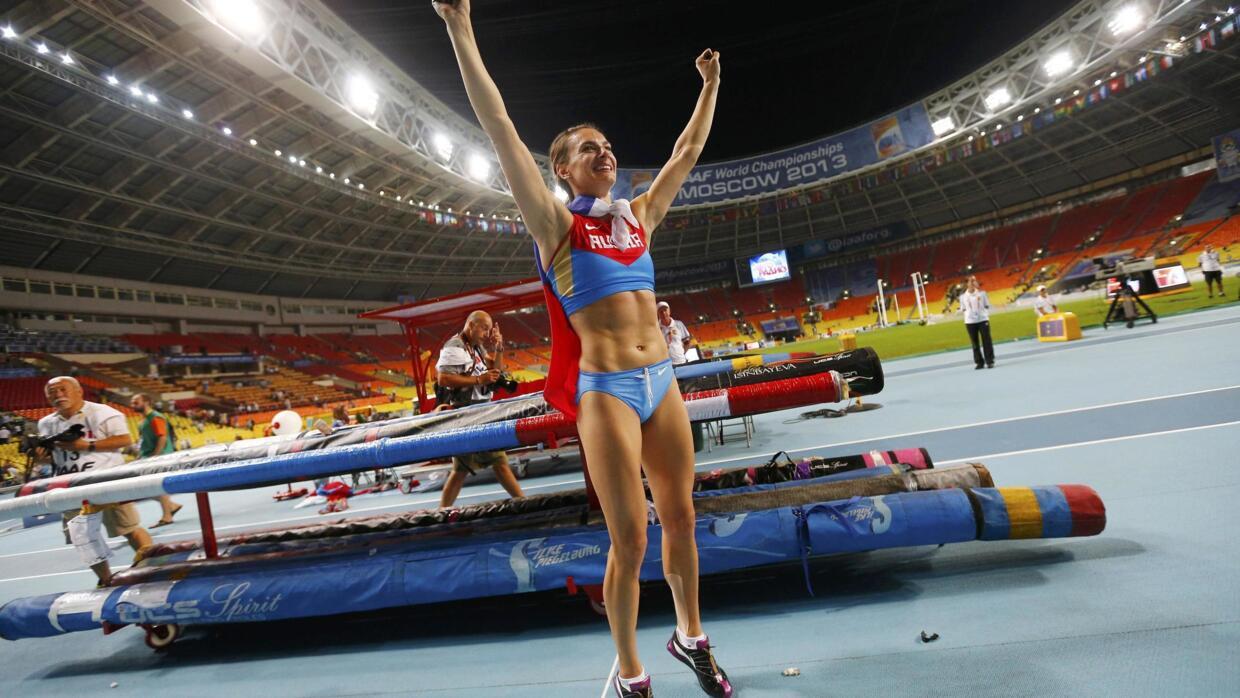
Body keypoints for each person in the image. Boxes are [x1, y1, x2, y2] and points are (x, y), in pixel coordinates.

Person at [435, 2, 728, 695]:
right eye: (587, 148)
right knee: (629, 540)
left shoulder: (639, 217)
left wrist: (710, 87)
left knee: (682, 516)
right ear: (563, 171)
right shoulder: (554, 225)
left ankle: (691, 637)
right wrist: (459, 27)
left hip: (662, 380)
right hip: (608, 392)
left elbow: (686, 151)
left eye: (607, 145)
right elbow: (499, 123)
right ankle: (630, 674)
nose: (605, 153)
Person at [36, 377, 151, 586]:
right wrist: (41, 455)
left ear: (79, 391)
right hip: (69, 487)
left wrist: (86, 446)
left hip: (107, 481)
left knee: (129, 528)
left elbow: (125, 440)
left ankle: (152, 569)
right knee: (82, 537)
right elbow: (52, 457)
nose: (58, 394)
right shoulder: (45, 423)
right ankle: (106, 580)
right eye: (52, 391)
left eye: (63, 389)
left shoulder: (104, 413)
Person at [434, 310, 525, 509]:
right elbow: (443, 378)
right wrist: (478, 380)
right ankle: (523, 503)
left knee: (479, 466)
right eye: (484, 328)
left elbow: (496, 372)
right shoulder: (455, 345)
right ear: (471, 325)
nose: (486, 333)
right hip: (466, 413)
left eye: (489, 329)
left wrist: (499, 348)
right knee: (470, 468)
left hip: (480, 412)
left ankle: (442, 511)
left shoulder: (476, 348)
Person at [130, 393, 182, 528]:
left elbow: (162, 437)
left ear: (146, 402)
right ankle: (171, 506)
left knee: (156, 486)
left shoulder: (156, 417)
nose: (132, 405)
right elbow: (142, 441)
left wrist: (156, 456)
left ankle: (167, 516)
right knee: (141, 487)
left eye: (136, 402)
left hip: (159, 456)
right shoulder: (142, 421)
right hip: (146, 456)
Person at [960, 276, 995, 369]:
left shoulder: (982, 294)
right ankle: (979, 362)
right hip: (970, 322)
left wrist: (980, 311)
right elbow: (963, 309)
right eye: (970, 281)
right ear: (966, 284)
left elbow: (986, 305)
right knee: (975, 343)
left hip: (982, 320)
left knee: (987, 341)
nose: (972, 283)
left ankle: (989, 361)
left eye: (973, 281)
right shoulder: (963, 297)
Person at [657, 301, 693, 366]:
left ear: (669, 311)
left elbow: (687, 343)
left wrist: (681, 353)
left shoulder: (679, 324)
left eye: (665, 310)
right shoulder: (656, 328)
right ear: (658, 314)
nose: (663, 313)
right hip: (664, 364)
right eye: (660, 311)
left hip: (680, 362)